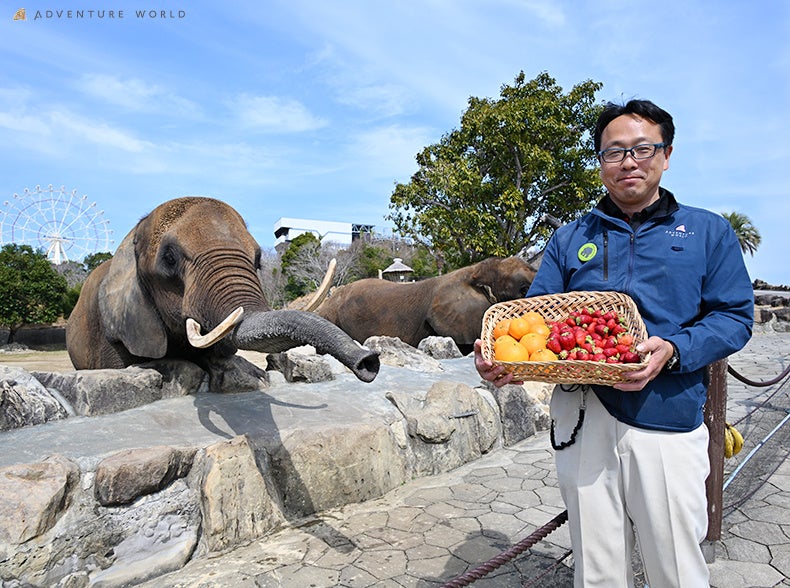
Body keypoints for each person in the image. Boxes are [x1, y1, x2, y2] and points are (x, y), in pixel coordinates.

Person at [474, 99, 754, 587]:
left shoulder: (707, 231)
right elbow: (531, 320)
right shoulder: (570, 237)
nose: (629, 161)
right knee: (597, 564)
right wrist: (502, 361)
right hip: (582, 414)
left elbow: (734, 317)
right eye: (614, 152)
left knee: (676, 565)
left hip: (667, 412)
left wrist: (676, 348)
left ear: (666, 155)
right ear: (599, 162)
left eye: (643, 148)